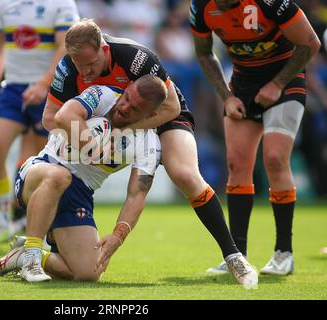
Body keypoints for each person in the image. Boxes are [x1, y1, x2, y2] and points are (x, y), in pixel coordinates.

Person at [36, 19, 258, 286]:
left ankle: (234, 255)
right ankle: (52, 247)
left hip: (160, 115)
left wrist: (121, 130)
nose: (85, 73)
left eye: (91, 65)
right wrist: (88, 140)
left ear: (104, 49)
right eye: (79, 66)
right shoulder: (68, 69)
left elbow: (171, 108)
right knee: (63, 169)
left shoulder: (135, 57)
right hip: (114, 119)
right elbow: (50, 119)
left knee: (184, 174)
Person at [0, 75, 165, 282]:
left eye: (135, 108)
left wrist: (118, 235)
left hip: (79, 193)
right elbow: (63, 116)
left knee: (88, 273)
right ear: (127, 88)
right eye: (127, 98)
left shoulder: (149, 144)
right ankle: (32, 257)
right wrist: (95, 151)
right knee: (60, 176)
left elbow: (137, 195)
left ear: (152, 114)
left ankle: (20, 256)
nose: (124, 107)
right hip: (43, 169)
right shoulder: (103, 94)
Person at [190, 0, 321, 275]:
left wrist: (276, 84)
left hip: (285, 81)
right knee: (237, 165)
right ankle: (237, 257)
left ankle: (284, 254)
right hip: (243, 85)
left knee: (274, 159)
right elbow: (203, 53)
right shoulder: (200, 5)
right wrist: (226, 97)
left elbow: (310, 42)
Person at [0, 0, 80, 249]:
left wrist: (44, 84)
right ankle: (3, 224)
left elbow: (64, 48)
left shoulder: (62, 4)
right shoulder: (5, 4)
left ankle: (38, 230)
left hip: (50, 91)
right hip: (12, 89)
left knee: (41, 163)